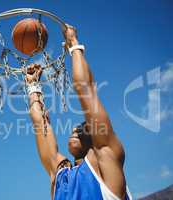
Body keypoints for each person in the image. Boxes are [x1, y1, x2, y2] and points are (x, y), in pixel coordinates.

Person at [25, 25, 132, 200]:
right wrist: (32, 86)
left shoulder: (107, 157)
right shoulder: (61, 175)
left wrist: (74, 45)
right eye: (75, 129)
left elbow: (86, 89)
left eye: (83, 128)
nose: (75, 130)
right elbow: (39, 123)